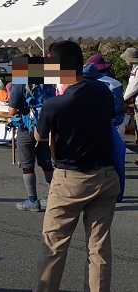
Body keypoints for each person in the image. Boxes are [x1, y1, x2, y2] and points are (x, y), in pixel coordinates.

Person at [33, 41, 120, 292]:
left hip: (71, 178)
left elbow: (40, 135)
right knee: (99, 247)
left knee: (54, 246)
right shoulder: (102, 91)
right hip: (106, 175)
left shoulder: (55, 104)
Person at [8, 69, 54, 212]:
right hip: (44, 128)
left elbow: (12, 111)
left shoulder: (20, 84)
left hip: (26, 129)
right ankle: (53, 198)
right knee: (47, 164)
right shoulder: (47, 83)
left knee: (28, 166)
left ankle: (32, 200)